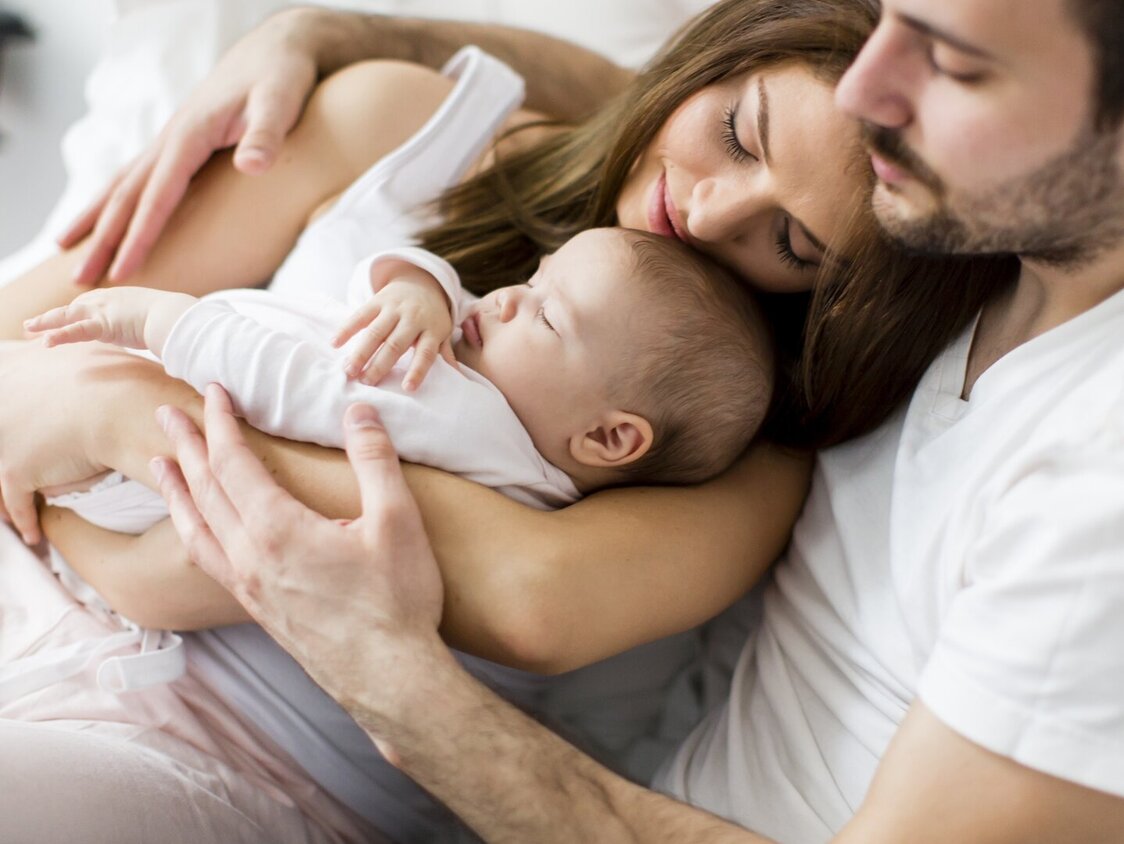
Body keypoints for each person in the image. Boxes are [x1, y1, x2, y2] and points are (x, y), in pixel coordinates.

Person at [69, 0, 1124, 841]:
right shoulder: (939, 205)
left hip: (248, 737)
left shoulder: (828, 377)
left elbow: (535, 599)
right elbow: (721, 105)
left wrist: (113, 416)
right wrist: (348, 29)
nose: (874, 92)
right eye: (895, 16)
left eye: (955, 64)